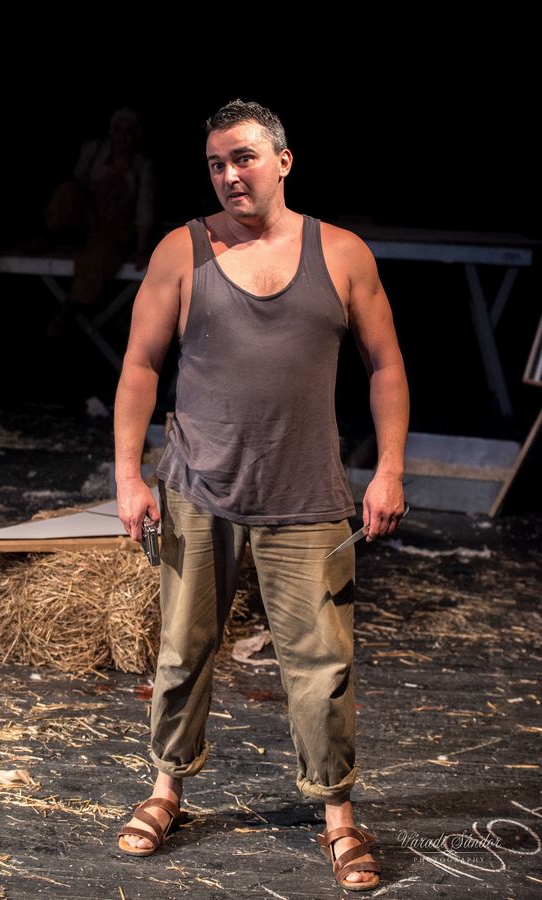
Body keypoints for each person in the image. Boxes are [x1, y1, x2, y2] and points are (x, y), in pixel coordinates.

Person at [113, 98, 409, 891]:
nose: (229, 174)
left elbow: (385, 365)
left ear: (282, 160)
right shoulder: (182, 251)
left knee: (321, 667)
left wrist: (388, 469)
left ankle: (337, 816)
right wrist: (129, 477)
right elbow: (139, 365)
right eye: (216, 163)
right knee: (181, 651)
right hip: (199, 487)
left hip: (305, 496)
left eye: (243, 157)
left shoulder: (339, 253)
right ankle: (166, 789)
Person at [37, 107, 156, 337]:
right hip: (89, 220)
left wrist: (141, 250)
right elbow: (75, 185)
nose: (123, 137)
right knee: (66, 192)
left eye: (129, 132)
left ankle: (71, 308)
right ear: (111, 131)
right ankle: (47, 234)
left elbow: (144, 209)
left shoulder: (142, 166)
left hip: (116, 228)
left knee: (100, 253)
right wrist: (101, 185)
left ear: (136, 136)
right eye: (119, 130)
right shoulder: (95, 151)